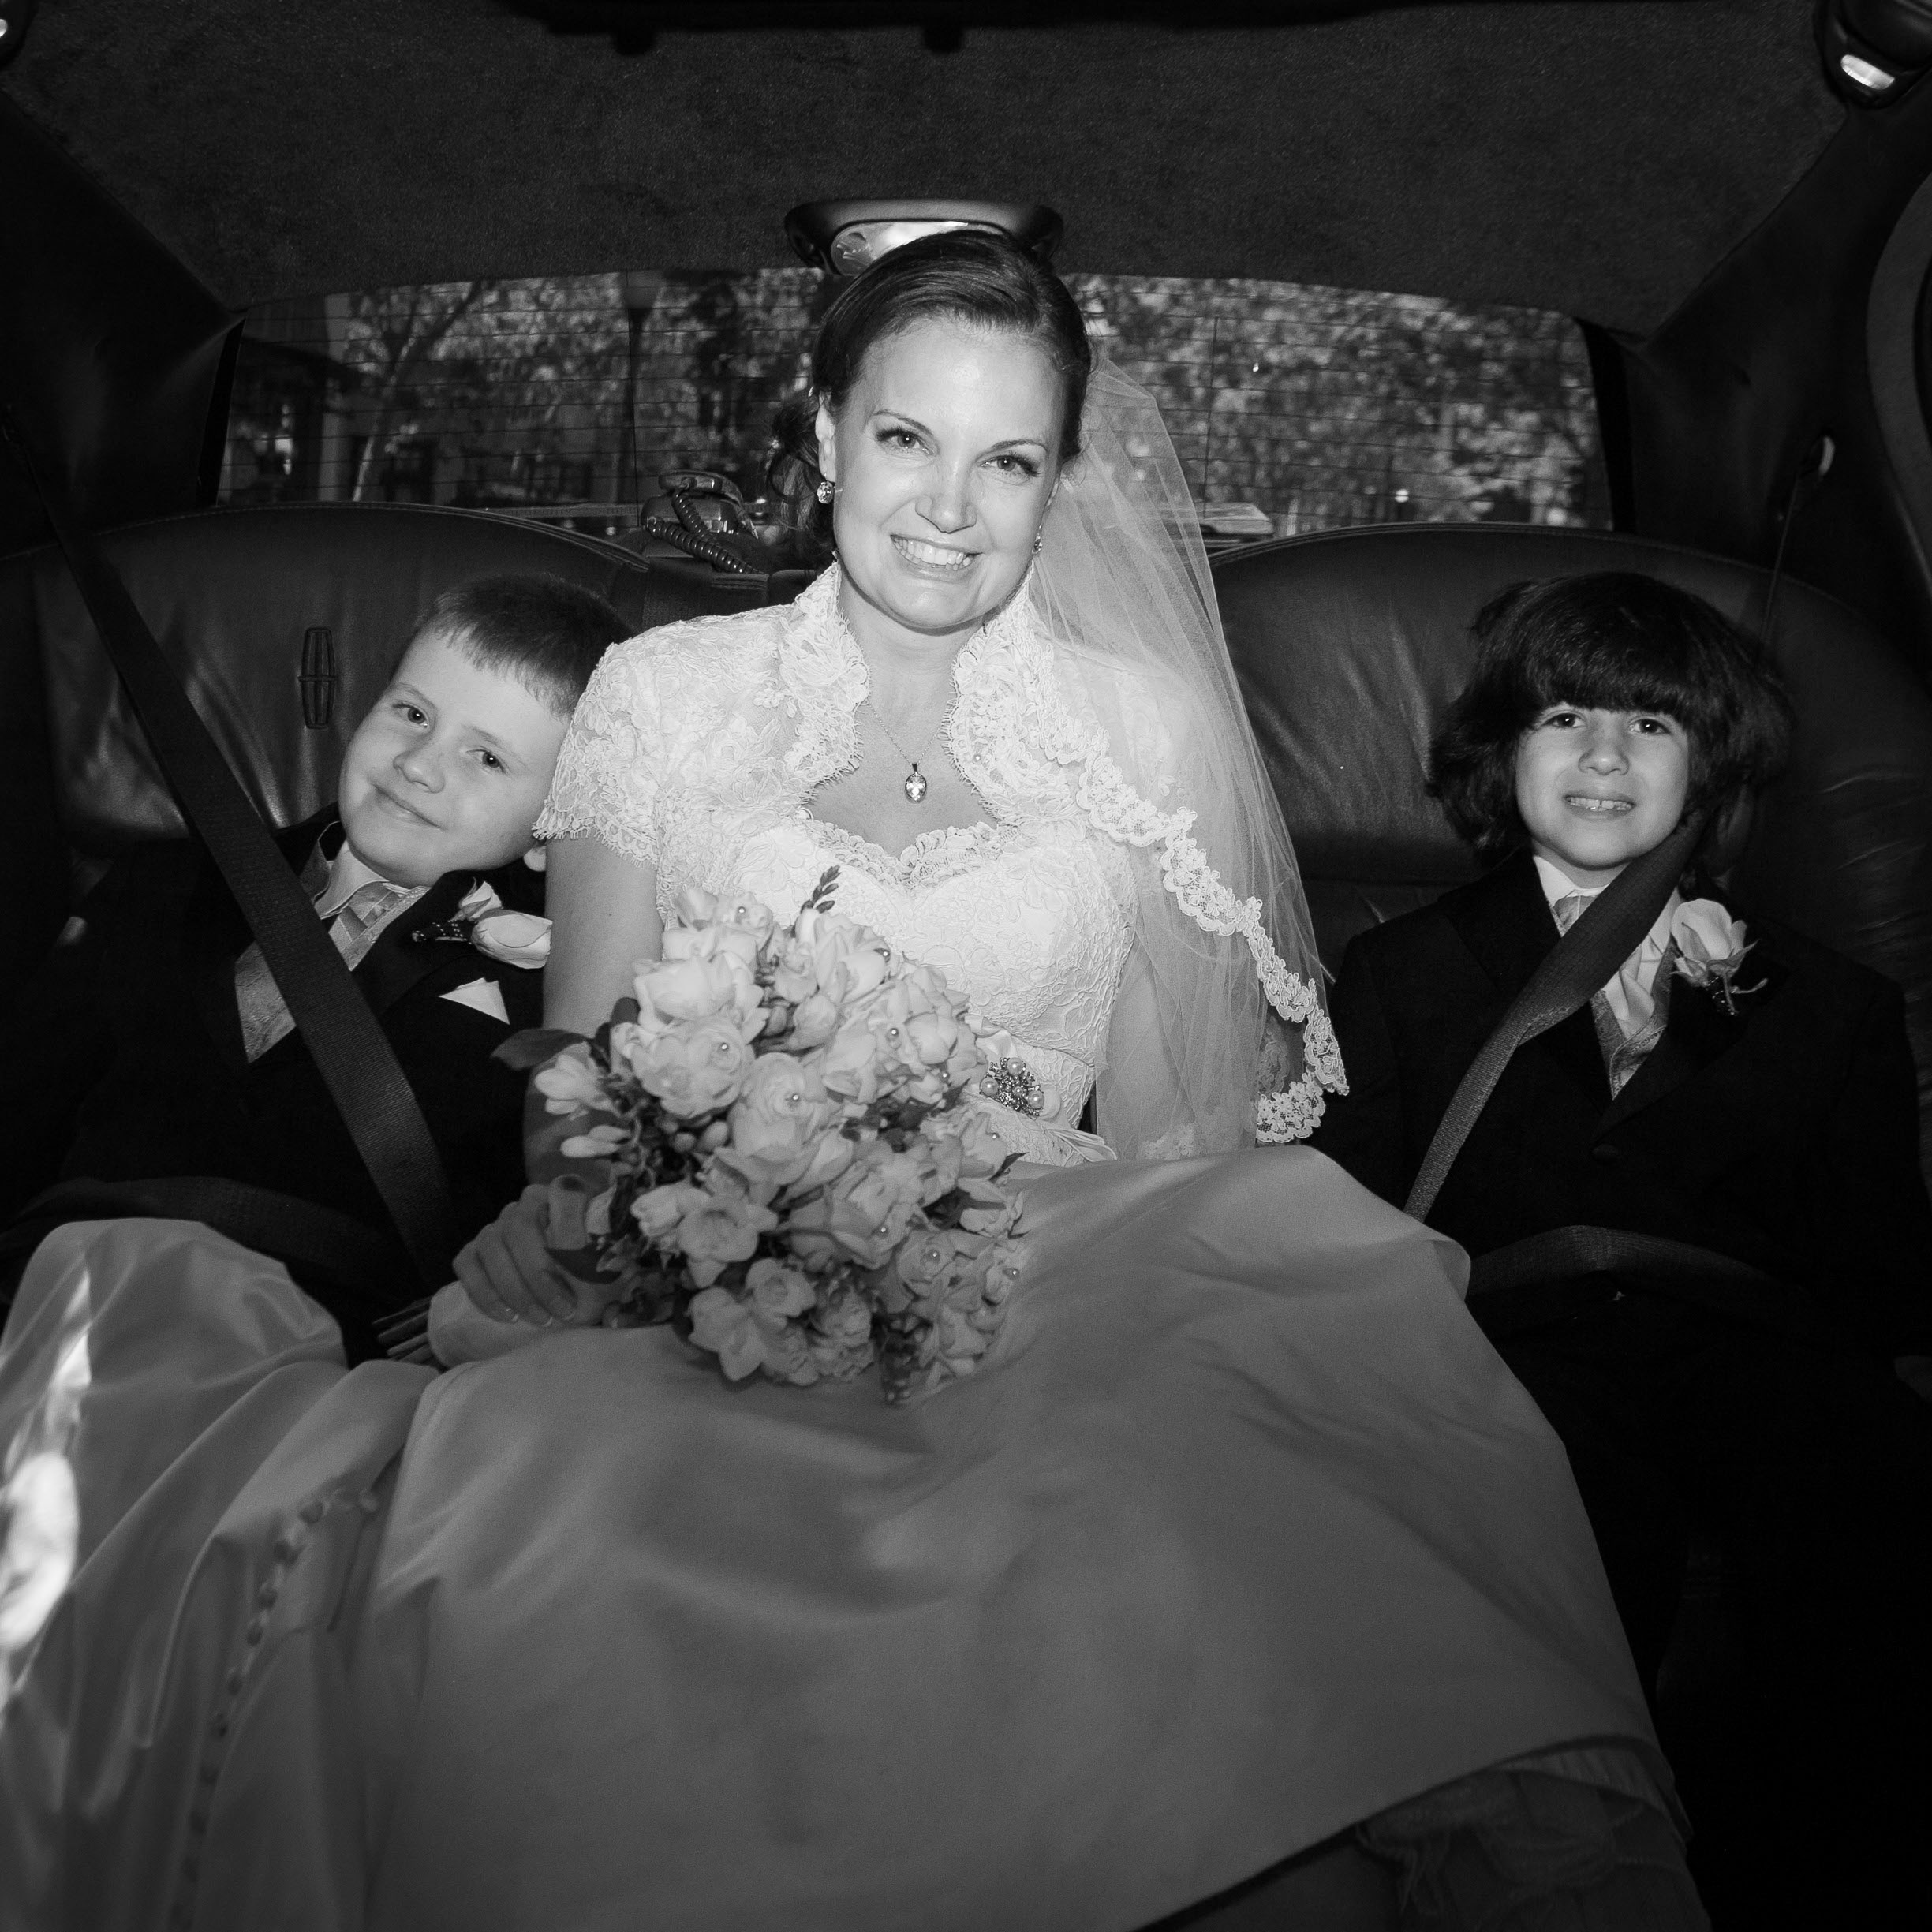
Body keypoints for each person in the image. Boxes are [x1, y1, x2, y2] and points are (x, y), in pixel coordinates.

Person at [1, 237, 1706, 1932]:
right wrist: (666, 1215)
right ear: (824, 435)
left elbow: (1169, 1136)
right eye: (905, 438)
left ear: (1057, 484)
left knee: (1214, 1543)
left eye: (1007, 460)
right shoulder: (664, 696)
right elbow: (580, 1079)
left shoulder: (1142, 727)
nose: (950, 508)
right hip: (712, 1271)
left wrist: (1147, 1316)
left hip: (1067, 1265)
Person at [1309, 573, 1932, 1926]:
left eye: (1650, 725)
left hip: (1754, 1368)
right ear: (1501, 753)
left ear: (1708, 767)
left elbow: (1878, 1275)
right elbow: (1343, 1222)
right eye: (1565, 716)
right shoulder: (1397, 972)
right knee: (1569, 1492)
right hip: (1505, 1359)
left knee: (1868, 1495)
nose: (1602, 754)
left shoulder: (1830, 1003)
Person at [0, 573, 627, 1358]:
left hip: (313, 1348)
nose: (419, 764)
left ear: (552, 832)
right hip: (59, 1300)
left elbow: (527, 1222)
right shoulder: (162, 885)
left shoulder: (557, 989)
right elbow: (21, 1106)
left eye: (488, 758)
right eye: (411, 713)